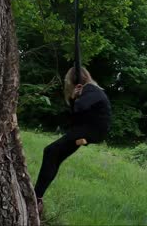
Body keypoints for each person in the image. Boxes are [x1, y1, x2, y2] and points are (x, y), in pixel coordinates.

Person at [34, 67, 111, 215]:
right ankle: (38, 197)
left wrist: (77, 96)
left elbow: (80, 106)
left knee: (50, 151)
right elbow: (76, 115)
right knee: (55, 156)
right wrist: (74, 98)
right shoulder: (89, 91)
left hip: (91, 130)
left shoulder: (91, 89)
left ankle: (36, 196)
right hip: (86, 130)